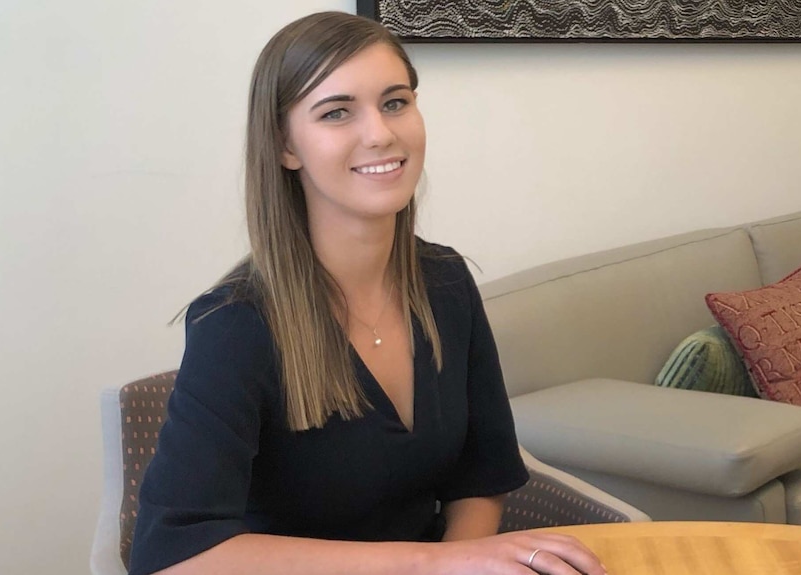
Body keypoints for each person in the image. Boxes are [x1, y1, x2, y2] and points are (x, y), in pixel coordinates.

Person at [129, 11, 607, 575]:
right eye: (336, 113)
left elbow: (481, 475)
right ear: (286, 146)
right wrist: (435, 565)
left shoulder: (446, 282)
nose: (380, 132)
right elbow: (171, 554)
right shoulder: (236, 324)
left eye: (395, 102)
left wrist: (461, 560)